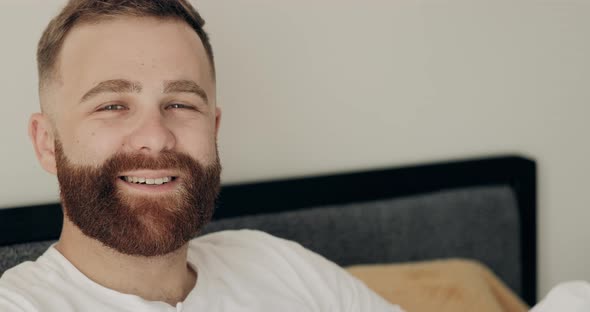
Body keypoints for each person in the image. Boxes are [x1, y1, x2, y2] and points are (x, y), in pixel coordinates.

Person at [0, 1, 402, 311]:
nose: (156, 138)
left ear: (214, 128)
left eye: (181, 104)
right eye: (112, 106)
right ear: (46, 143)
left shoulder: (276, 262)